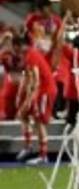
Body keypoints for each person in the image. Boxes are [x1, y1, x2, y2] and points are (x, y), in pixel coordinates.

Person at [13, 34, 56, 165]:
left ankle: (43, 156)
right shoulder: (29, 56)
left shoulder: (31, 56)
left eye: (15, 48)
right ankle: (28, 146)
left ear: (19, 46)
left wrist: (29, 99)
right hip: (40, 90)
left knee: (39, 121)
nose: (15, 51)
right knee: (23, 115)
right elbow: (27, 78)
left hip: (44, 91)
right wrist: (20, 96)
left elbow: (36, 81)